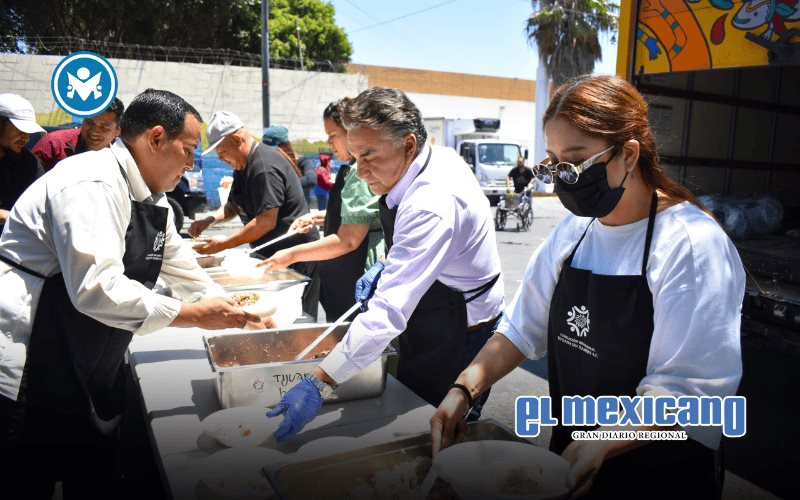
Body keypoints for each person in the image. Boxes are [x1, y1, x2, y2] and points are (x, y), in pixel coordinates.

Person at [430, 75, 745, 498]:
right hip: (570, 463)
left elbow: (688, 388)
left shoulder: (690, 244)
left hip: (660, 469)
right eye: (554, 164)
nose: (562, 181)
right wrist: (465, 388)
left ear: (628, 155)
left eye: (575, 164)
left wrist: (605, 439)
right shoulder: (574, 232)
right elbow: (521, 328)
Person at [0, 89, 260, 499]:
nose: (193, 163)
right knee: (29, 480)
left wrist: (236, 312)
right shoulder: (92, 183)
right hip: (34, 362)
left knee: (92, 475)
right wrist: (194, 315)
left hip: (93, 361)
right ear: (155, 138)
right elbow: (97, 289)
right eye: (189, 149)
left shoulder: (150, 196)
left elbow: (182, 266)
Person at [266, 87, 505, 443]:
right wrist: (390, 264)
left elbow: (387, 313)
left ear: (409, 145)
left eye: (369, 156)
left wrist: (320, 380)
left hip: (460, 331)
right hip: (437, 306)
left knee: (436, 434)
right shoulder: (434, 157)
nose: (360, 172)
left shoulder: (429, 202)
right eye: (355, 156)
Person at [259, 99, 385, 320]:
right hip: (342, 274)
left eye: (332, 135)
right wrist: (317, 217)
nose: (329, 143)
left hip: (354, 274)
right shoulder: (351, 170)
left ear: (352, 133)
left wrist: (290, 255)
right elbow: (359, 216)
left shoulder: (359, 172)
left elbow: (349, 240)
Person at [190, 111, 321, 320]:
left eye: (222, 152)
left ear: (236, 139)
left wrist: (224, 244)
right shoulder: (243, 166)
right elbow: (233, 206)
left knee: (296, 316)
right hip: (273, 254)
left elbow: (265, 222)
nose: (222, 159)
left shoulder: (263, 166)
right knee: (271, 316)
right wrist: (209, 219)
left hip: (296, 255)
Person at [32, 97, 125, 172]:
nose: (94, 131)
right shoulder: (53, 144)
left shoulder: (124, 159)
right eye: (90, 122)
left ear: (118, 131)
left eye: (103, 127)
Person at [0, 93, 45, 232]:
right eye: (20, 130)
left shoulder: (29, 163)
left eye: (29, 132)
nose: (25, 138)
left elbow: (40, 207)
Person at [262, 124, 317, 206]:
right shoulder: (264, 163)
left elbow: (311, 180)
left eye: (272, 149)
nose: (268, 153)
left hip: (300, 215)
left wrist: (278, 185)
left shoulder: (302, 162)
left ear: (284, 147)